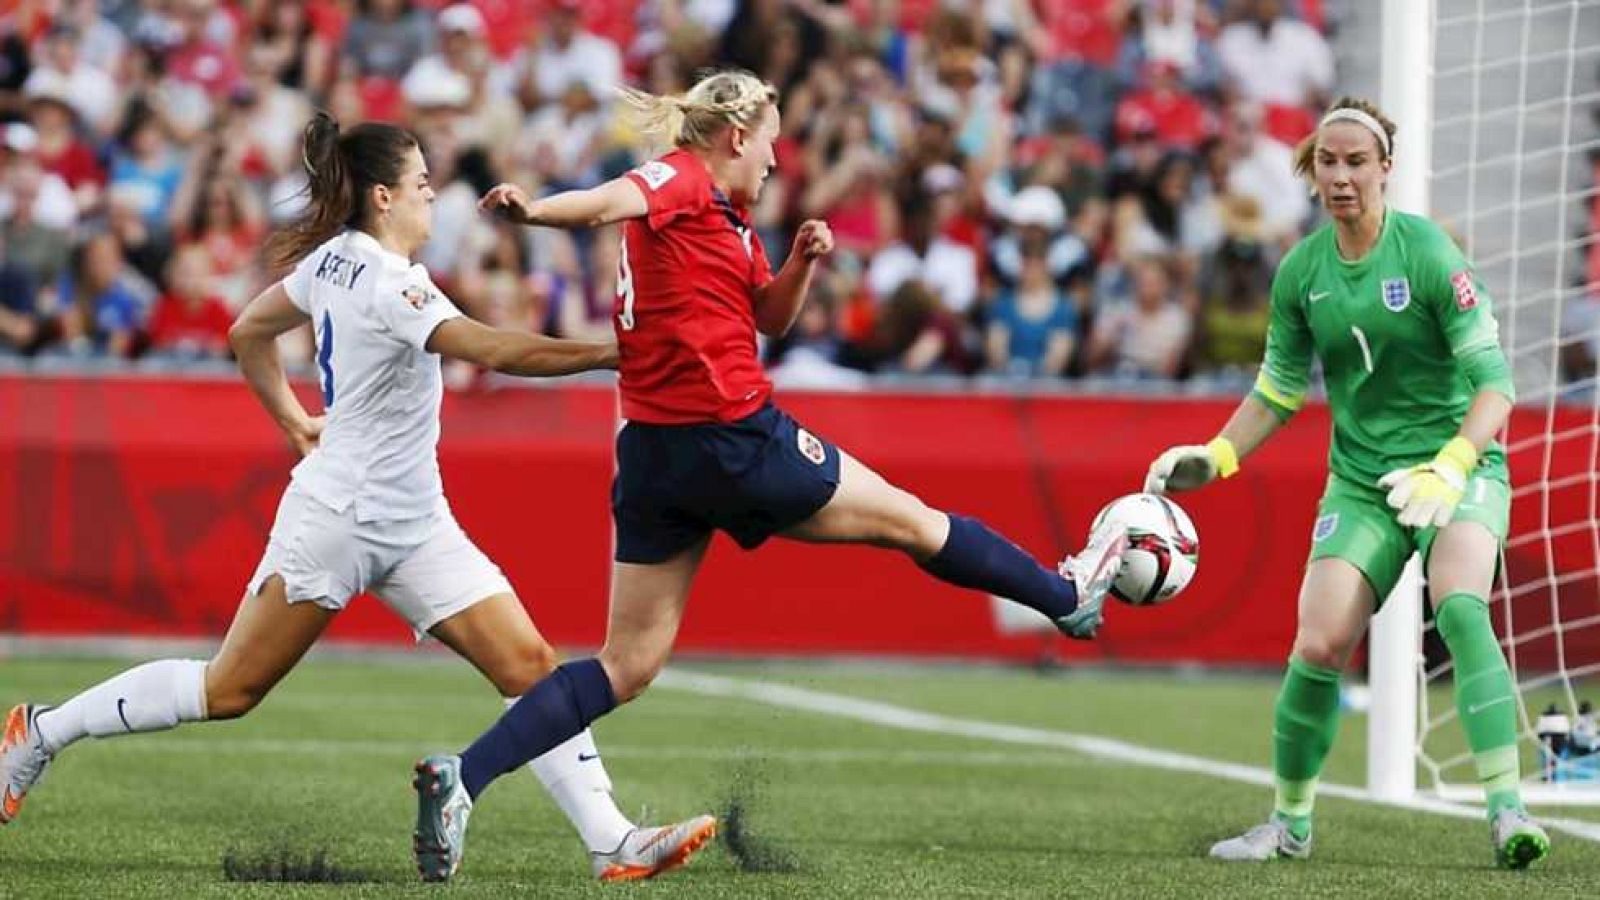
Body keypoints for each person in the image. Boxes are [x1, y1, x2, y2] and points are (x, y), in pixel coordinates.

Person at [408, 69, 1131, 882]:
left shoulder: (727, 220)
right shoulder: (683, 178)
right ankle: (1065, 597)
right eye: (772, 144)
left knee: (627, 664)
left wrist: (801, 264)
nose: (778, 161)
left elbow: (770, 318)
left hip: (654, 454)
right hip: (732, 437)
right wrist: (537, 211)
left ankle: (464, 777)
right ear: (737, 137)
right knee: (912, 521)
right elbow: (612, 199)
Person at [0, 111, 714, 883]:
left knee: (532, 667)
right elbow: (493, 348)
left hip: (416, 522)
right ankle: (40, 730)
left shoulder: (334, 260)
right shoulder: (389, 282)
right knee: (229, 688)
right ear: (383, 196)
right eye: (422, 184)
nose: (432, 196)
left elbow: (247, 331)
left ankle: (611, 839)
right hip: (338, 519)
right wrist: (616, 352)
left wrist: (291, 421)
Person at [1141, 97, 1551, 869]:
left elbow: (1497, 385)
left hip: (1456, 467)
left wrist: (1452, 463)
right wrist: (1217, 456)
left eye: (1356, 162)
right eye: (1327, 162)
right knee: (1320, 641)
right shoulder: (1301, 272)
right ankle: (1290, 824)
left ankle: (1508, 812)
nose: (1340, 176)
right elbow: (1277, 391)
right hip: (1363, 481)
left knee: (1460, 606)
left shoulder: (1428, 254)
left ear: (1385, 169)